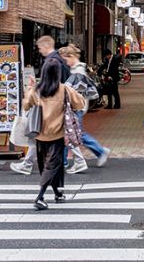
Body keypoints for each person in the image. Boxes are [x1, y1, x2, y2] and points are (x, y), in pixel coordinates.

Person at [21, 56, 86, 210]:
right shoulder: (64, 89)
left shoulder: (37, 90)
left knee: (47, 165)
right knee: (52, 166)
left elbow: (25, 105)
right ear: (57, 73)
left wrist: (30, 88)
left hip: (39, 133)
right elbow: (80, 103)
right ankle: (40, 197)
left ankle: (57, 193)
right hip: (57, 134)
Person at [11, 35, 66, 175]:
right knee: (42, 136)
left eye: (40, 47)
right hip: (55, 107)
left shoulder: (52, 61)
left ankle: (33, 165)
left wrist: (33, 88)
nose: (39, 50)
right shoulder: (59, 59)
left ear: (46, 46)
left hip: (48, 107)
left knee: (41, 135)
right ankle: (30, 163)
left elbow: (50, 85)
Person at [59, 45, 110, 170]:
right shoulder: (77, 70)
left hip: (77, 108)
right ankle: (63, 160)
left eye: (66, 60)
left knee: (75, 133)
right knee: (70, 133)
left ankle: (100, 151)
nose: (65, 63)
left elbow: (72, 91)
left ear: (71, 57)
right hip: (77, 107)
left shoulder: (78, 72)